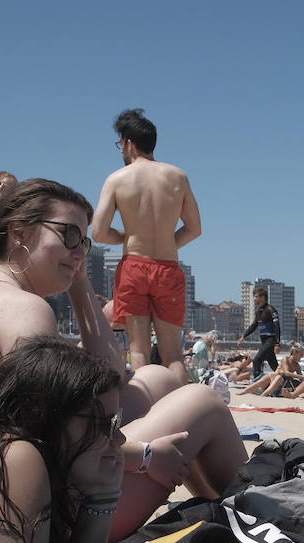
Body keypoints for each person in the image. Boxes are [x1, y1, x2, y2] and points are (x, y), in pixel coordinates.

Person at [0, 337, 246, 543]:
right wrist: (102, 498)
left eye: (116, 422)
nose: (119, 440)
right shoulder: (13, 459)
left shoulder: (12, 446)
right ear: (49, 416)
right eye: (104, 424)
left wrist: (102, 497)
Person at [0, 177, 181, 441]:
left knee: (157, 378)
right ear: (19, 232)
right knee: (199, 401)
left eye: (84, 242)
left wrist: (78, 282)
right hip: (12, 469)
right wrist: (142, 455)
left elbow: (110, 375)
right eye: (70, 235)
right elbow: (49, 435)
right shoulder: (22, 309)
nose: (80, 252)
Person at [93, 109, 202, 383]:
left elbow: (99, 233)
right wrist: (168, 245)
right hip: (168, 268)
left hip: (134, 267)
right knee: (173, 355)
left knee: (138, 351)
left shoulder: (117, 179)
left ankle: (146, 410)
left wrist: (126, 237)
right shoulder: (178, 177)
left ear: (128, 143)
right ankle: (182, 409)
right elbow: (194, 228)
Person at [238, 287, 280, 380]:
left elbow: (277, 327)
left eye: (256, 296)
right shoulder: (258, 311)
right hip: (264, 341)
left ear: (263, 297)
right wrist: (243, 336)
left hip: (270, 340)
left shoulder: (271, 310)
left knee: (257, 360)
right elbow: (254, 325)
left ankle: (257, 382)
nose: (254, 299)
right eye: (254, 296)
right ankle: (286, 382)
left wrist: (277, 343)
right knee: (274, 366)